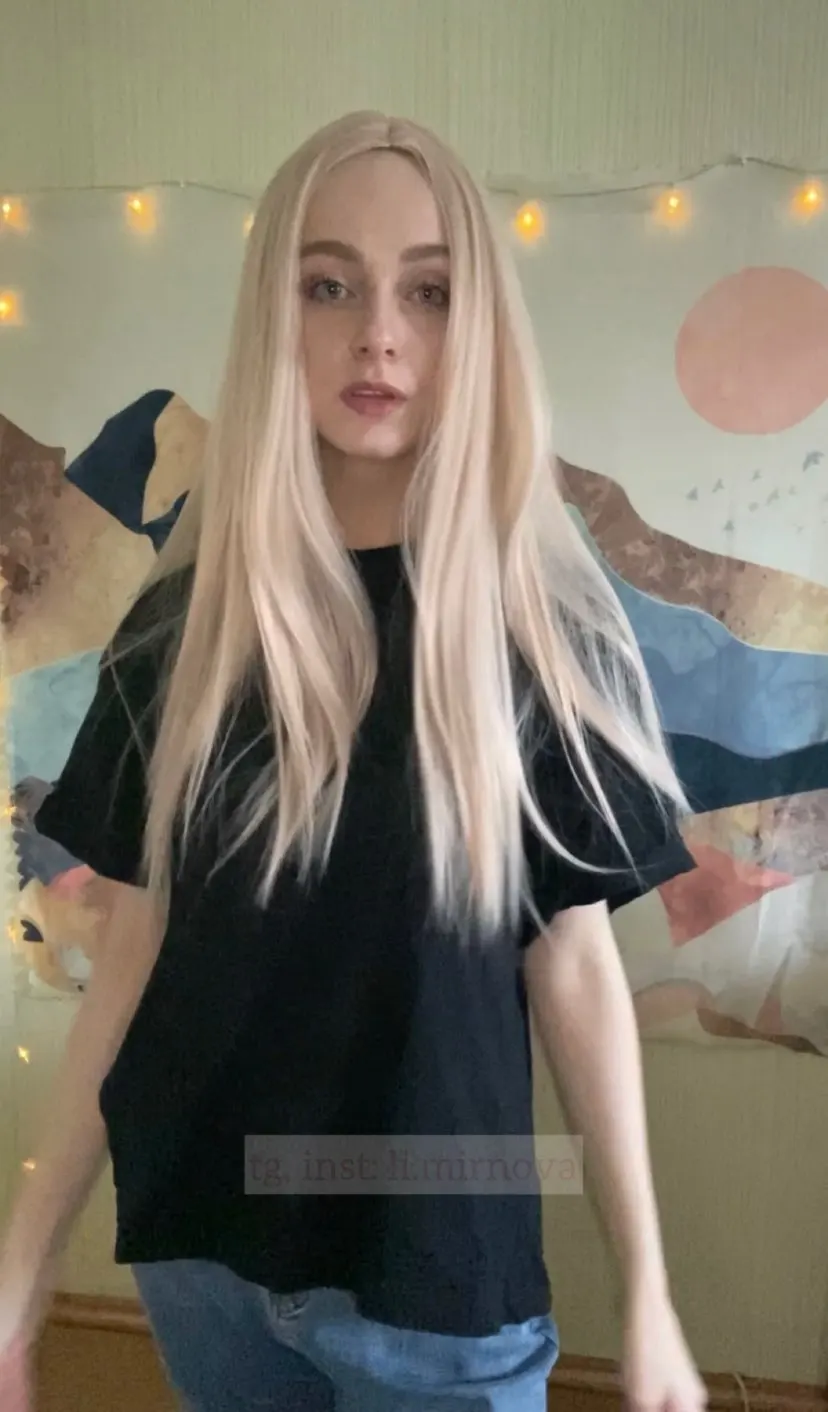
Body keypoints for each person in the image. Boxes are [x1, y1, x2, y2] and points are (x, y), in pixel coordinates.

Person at [0, 111, 707, 1412]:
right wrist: (24, 1263)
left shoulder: (540, 639)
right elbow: (136, 956)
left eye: (427, 291)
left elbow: (575, 968)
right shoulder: (181, 636)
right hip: (202, 1251)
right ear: (274, 317)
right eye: (328, 285)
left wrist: (649, 1294)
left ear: (475, 327)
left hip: (435, 1285)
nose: (378, 333)